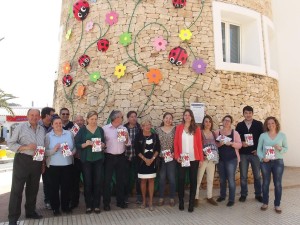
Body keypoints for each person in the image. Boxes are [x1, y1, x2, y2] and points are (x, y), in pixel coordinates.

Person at [7, 109, 46, 225]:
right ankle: (13, 218)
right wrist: (27, 147)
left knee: (33, 189)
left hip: (37, 161)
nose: (34, 117)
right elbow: (11, 144)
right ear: (27, 116)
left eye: (36, 115)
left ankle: (30, 211)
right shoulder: (20, 127)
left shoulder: (42, 130)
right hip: (22, 160)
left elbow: (42, 147)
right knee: (17, 190)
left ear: (39, 117)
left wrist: (43, 163)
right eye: (32, 115)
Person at [75, 111, 105, 214]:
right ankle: (88, 205)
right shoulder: (82, 130)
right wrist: (85, 144)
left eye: (95, 119)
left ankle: (96, 205)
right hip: (86, 160)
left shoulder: (100, 129)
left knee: (97, 183)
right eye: (92, 119)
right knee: (87, 183)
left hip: (98, 159)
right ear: (87, 119)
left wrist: (103, 145)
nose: (94, 121)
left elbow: (104, 142)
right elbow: (77, 144)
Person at [174, 109, 204, 212]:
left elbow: (200, 144)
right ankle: (181, 201)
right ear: (183, 116)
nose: (187, 116)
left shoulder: (196, 128)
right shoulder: (179, 128)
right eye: (185, 115)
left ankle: (191, 203)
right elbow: (176, 143)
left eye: (189, 115)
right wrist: (177, 156)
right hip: (182, 158)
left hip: (194, 158)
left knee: (193, 180)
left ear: (191, 117)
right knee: (181, 179)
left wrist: (200, 159)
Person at [45, 115, 75, 215]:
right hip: (53, 166)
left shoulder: (69, 134)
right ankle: (55, 208)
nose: (58, 125)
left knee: (66, 187)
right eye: (56, 123)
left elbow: (74, 147)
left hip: (67, 164)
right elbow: (44, 152)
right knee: (54, 188)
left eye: (60, 123)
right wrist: (54, 150)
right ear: (52, 125)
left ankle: (65, 207)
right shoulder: (48, 136)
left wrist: (72, 152)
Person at [257, 116, 288, 214]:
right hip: (265, 162)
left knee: (278, 184)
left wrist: (280, 148)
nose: (270, 125)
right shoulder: (263, 135)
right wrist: (262, 157)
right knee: (265, 183)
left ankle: (277, 204)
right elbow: (259, 150)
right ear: (266, 125)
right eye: (268, 123)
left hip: (278, 162)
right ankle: (265, 202)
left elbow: (286, 148)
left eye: (272, 123)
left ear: (276, 124)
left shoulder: (282, 135)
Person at [102, 110, 130, 211]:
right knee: (107, 181)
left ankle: (120, 201)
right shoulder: (105, 129)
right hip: (109, 157)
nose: (122, 119)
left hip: (121, 156)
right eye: (121, 117)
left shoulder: (124, 128)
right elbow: (101, 143)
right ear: (116, 118)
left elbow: (128, 144)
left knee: (121, 180)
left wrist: (126, 138)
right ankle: (106, 203)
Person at [236, 106, 263, 203]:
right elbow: (237, 139)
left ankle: (258, 194)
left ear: (252, 113)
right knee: (243, 176)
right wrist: (242, 143)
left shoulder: (259, 124)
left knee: (257, 176)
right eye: (246, 113)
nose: (248, 115)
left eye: (249, 113)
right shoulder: (239, 125)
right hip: (243, 154)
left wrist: (258, 150)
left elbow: (262, 139)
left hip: (255, 154)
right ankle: (243, 194)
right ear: (243, 114)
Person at [215, 115, 242, 207]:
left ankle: (231, 199)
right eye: (225, 120)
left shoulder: (235, 133)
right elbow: (214, 145)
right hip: (220, 159)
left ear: (231, 123)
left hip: (231, 159)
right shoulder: (217, 132)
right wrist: (219, 144)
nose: (227, 122)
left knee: (231, 179)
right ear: (222, 121)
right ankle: (222, 195)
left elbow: (240, 145)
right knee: (222, 179)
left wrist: (231, 143)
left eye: (229, 121)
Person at [135, 119, 161, 210]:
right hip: (142, 162)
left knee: (151, 181)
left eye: (149, 124)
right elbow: (137, 150)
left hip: (152, 162)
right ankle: (144, 201)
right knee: (143, 181)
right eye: (145, 124)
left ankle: (150, 202)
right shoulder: (138, 136)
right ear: (142, 126)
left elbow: (158, 149)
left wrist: (152, 159)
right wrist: (145, 159)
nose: (147, 126)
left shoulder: (155, 136)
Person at [195, 115, 219, 207]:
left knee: (210, 179)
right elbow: (197, 145)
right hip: (203, 159)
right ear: (203, 123)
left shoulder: (213, 133)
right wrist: (202, 155)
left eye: (209, 121)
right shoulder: (200, 132)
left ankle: (209, 196)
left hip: (212, 160)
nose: (208, 123)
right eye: (206, 121)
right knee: (198, 179)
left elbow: (216, 145)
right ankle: (195, 198)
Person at [156, 112, 176, 207]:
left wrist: (175, 152)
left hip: (171, 157)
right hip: (161, 157)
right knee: (162, 179)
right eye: (166, 118)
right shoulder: (157, 130)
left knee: (172, 178)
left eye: (170, 118)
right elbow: (155, 144)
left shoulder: (175, 129)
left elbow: (178, 142)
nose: (168, 120)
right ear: (163, 119)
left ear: (172, 120)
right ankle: (161, 197)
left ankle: (172, 197)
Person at [124, 111, 142, 204]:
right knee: (126, 177)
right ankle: (126, 196)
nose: (134, 118)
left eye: (135, 116)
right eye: (131, 117)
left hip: (137, 156)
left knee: (138, 177)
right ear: (128, 118)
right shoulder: (123, 128)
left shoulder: (139, 128)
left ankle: (139, 196)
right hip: (126, 156)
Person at [39, 107, 55, 210]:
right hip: (39, 158)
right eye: (52, 115)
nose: (53, 116)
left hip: (51, 158)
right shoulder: (38, 126)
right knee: (45, 181)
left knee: (51, 181)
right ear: (46, 115)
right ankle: (47, 201)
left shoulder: (53, 126)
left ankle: (51, 200)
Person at [70, 115, 85, 209]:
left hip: (86, 159)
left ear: (84, 121)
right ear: (74, 121)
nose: (79, 122)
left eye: (81, 120)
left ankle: (89, 201)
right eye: (77, 120)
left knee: (87, 181)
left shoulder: (87, 130)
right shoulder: (70, 132)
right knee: (74, 182)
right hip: (75, 160)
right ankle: (74, 202)